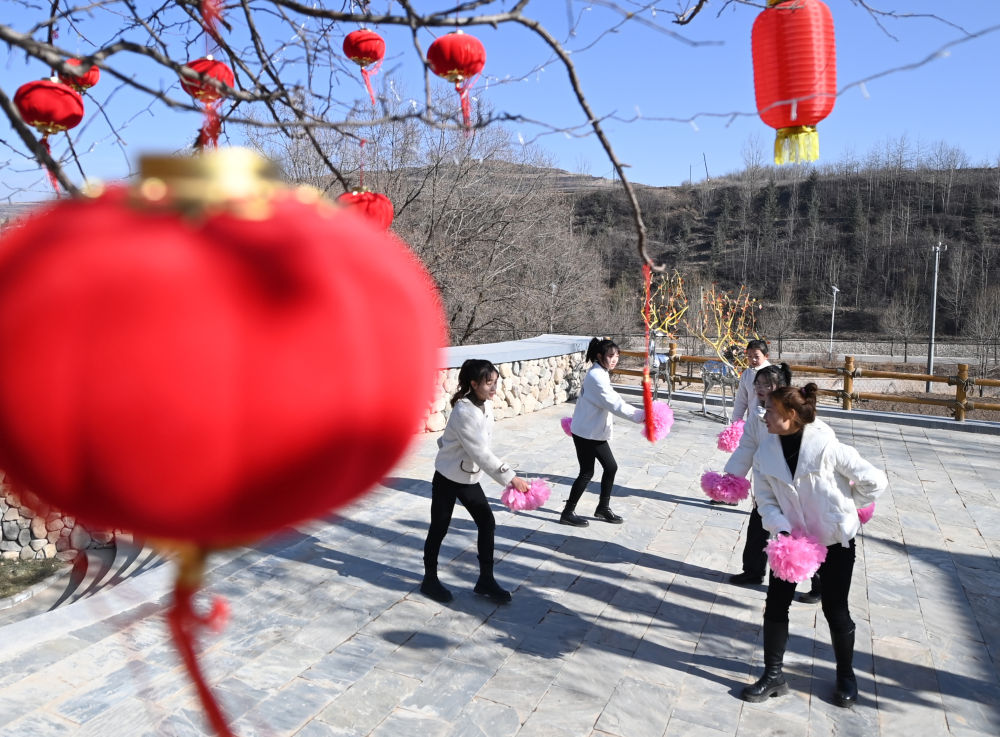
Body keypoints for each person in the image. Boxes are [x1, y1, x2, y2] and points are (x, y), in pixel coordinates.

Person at [741, 383, 887, 708]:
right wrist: (781, 530)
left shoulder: (826, 446)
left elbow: (875, 480)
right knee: (776, 604)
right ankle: (773, 675)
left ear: (791, 415)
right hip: (791, 544)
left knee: (835, 608)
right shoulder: (765, 452)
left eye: (771, 411)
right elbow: (763, 499)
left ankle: (846, 676)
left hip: (836, 541)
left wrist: (846, 510)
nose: (764, 416)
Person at [420, 359, 531, 605]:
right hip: (448, 478)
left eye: (495, 382)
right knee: (439, 527)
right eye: (488, 383)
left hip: (467, 476)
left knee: (486, 522)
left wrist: (449, 445)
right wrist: (510, 477)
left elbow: (464, 444)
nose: (494, 388)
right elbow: (480, 452)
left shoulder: (483, 404)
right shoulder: (464, 411)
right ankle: (429, 579)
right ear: (473, 383)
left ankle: (485, 581)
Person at [725, 364, 822, 599]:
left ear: (780, 387)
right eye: (757, 383)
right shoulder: (757, 415)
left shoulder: (792, 413)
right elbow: (747, 447)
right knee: (758, 527)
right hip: (765, 483)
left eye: (766, 384)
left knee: (800, 535)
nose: (759, 388)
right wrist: (731, 477)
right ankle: (753, 571)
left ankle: (819, 584)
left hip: (790, 486)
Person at [561, 337, 645, 527]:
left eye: (617, 356)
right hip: (586, 433)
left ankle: (601, 508)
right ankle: (569, 512)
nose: (615, 359)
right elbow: (615, 404)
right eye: (610, 356)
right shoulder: (597, 378)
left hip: (587, 430)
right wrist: (641, 416)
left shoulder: (600, 372)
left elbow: (612, 400)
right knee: (590, 472)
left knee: (604, 468)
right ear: (600, 356)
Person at [731, 339, 771, 423]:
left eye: (757, 356)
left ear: (766, 356)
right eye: (749, 356)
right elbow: (741, 401)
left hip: (769, 423)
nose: (753, 359)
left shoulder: (773, 374)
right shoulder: (746, 374)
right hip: (752, 422)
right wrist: (735, 423)